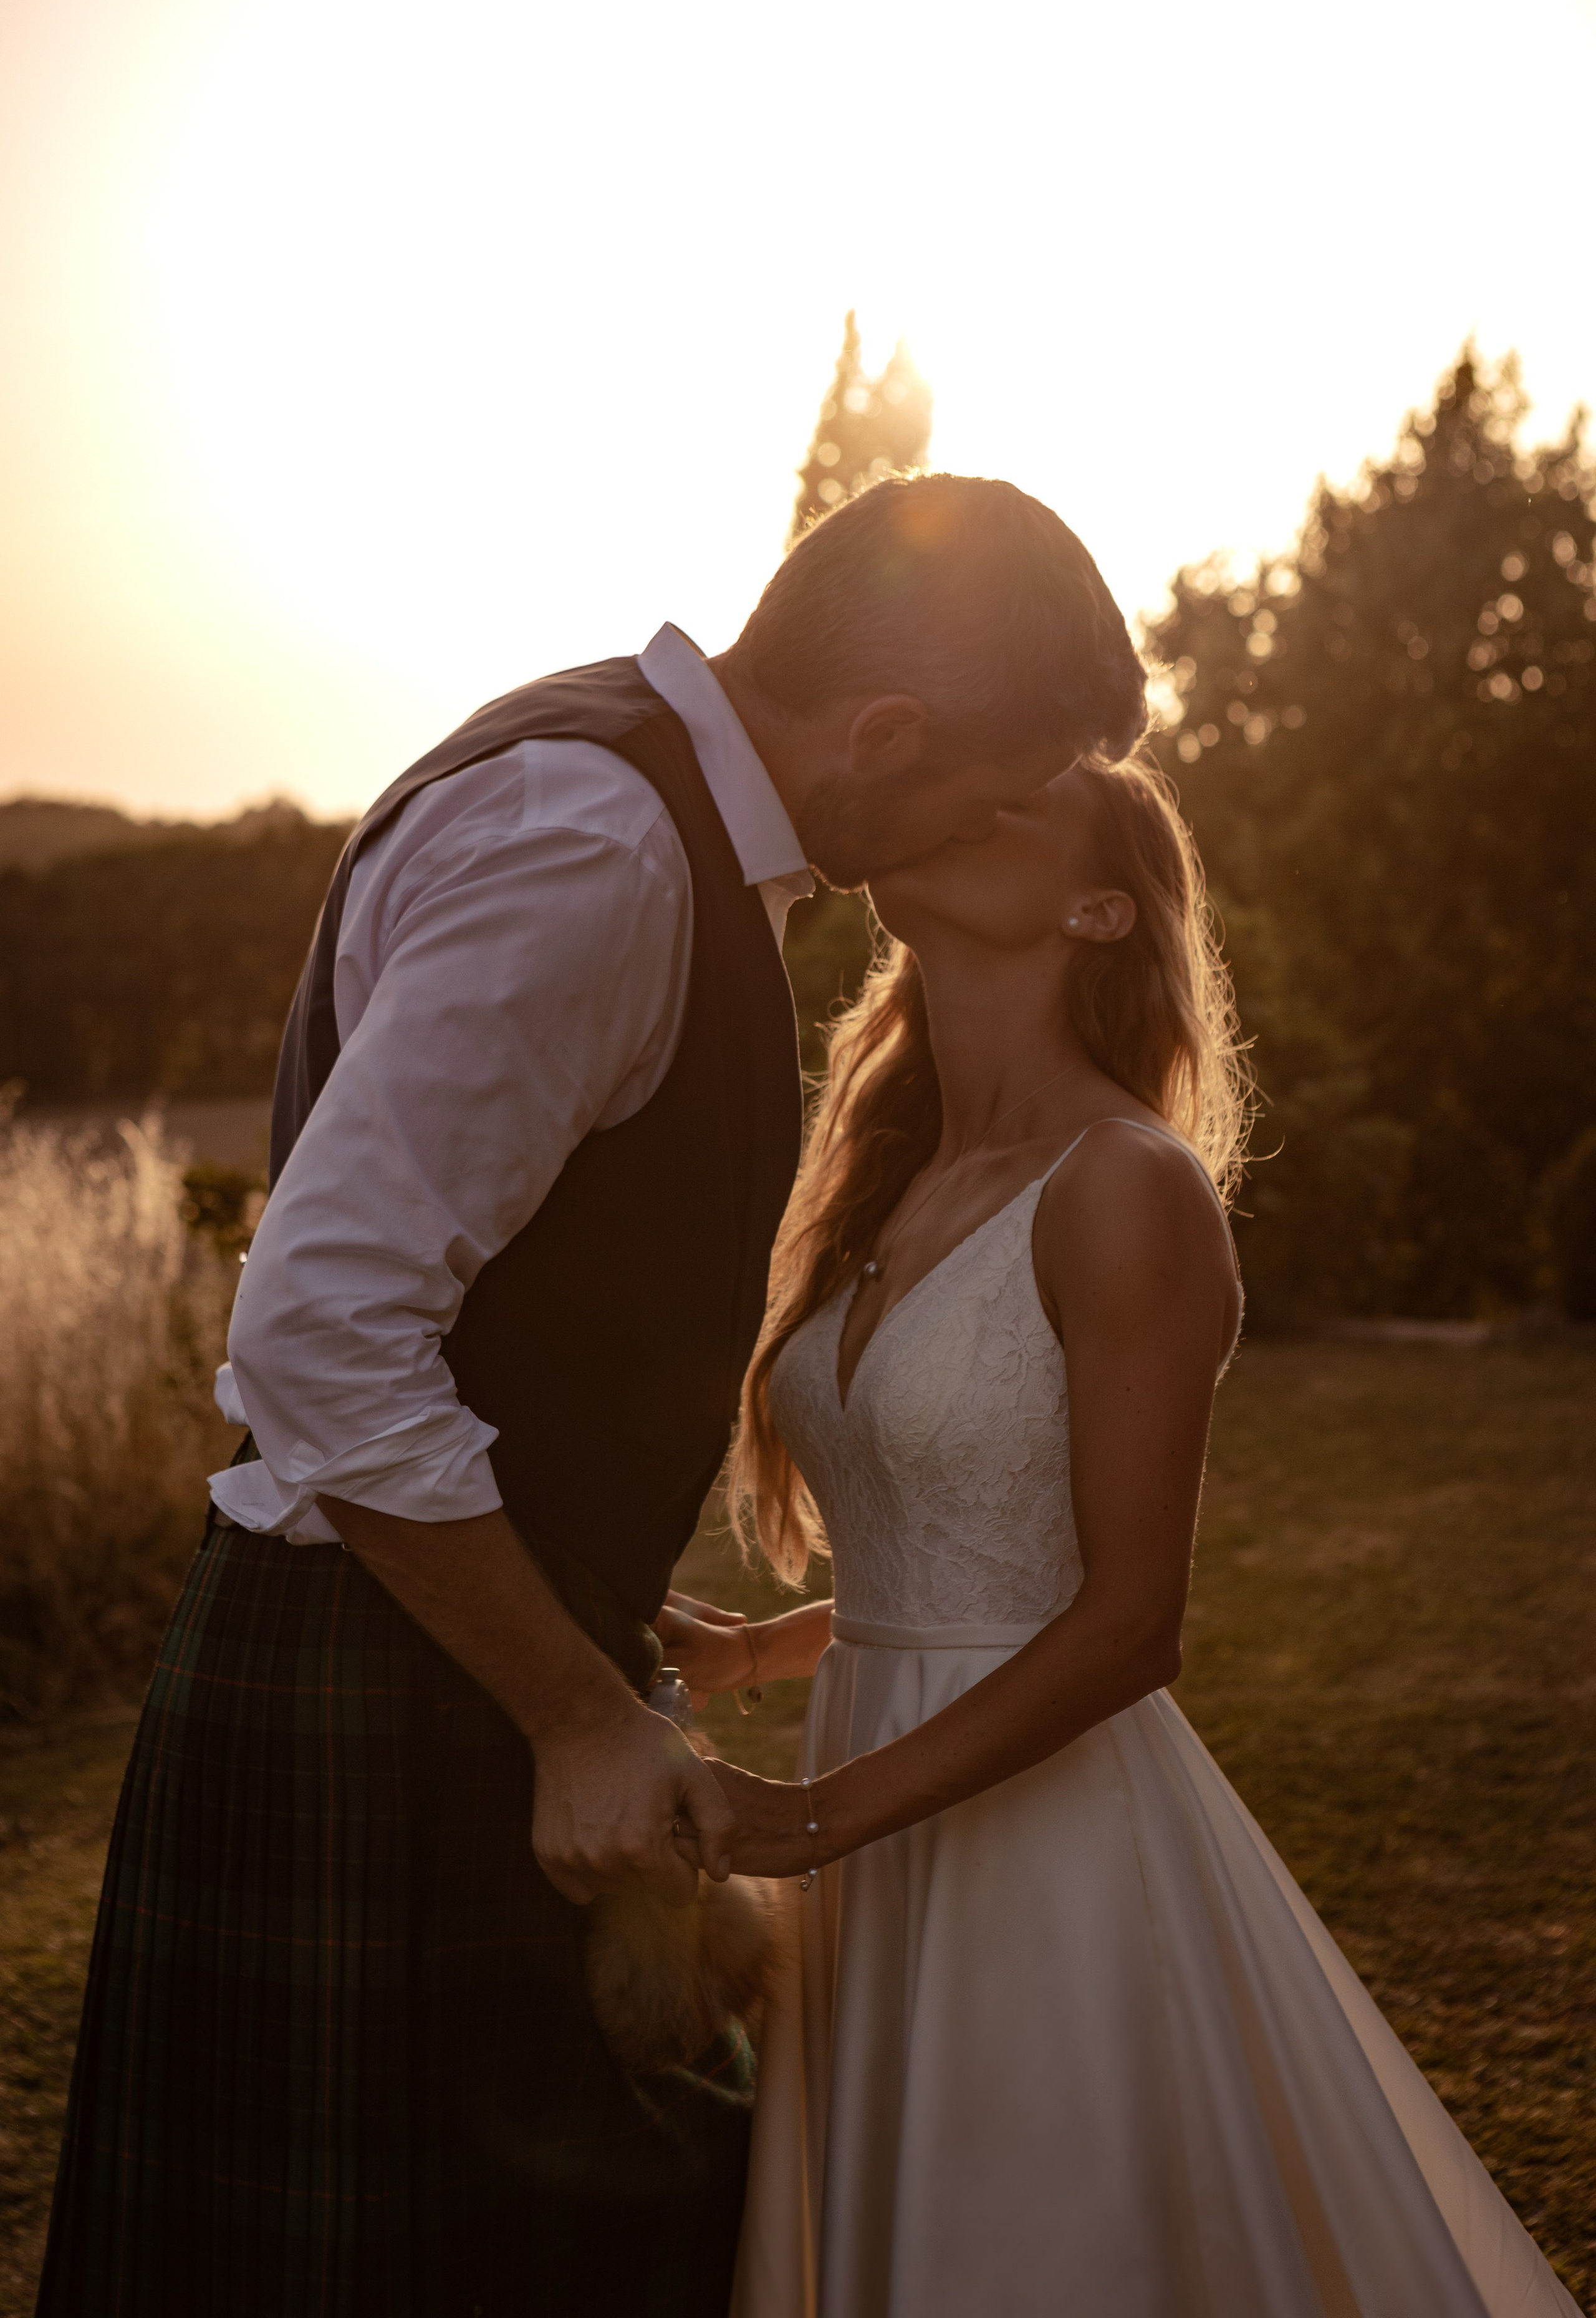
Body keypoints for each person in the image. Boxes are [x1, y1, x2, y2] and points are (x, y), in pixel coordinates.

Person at [36, 476, 1149, 2318]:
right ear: (884, 732)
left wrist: (586, 1594)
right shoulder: (604, 846)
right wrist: (570, 1707)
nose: (993, 826)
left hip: (443, 1647)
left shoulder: (615, 796)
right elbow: (322, 1325)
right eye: (996, 785)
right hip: (394, 1686)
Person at [659, 749, 1580, 2317]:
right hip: (880, 1796)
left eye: (1017, 802)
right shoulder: (895, 1180)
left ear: (1099, 910)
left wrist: (807, 1823)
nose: (966, 801)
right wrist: (763, 1645)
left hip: (1035, 1843)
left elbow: (1127, 1620)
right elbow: (971, 1538)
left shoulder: (1125, 1188)